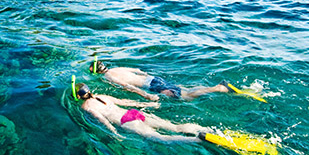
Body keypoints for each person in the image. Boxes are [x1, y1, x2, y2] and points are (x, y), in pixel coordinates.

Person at [76, 83, 210, 142]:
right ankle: (205, 129)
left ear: (78, 96)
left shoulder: (86, 106)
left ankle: (196, 140)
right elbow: (125, 101)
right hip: (133, 113)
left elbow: (102, 120)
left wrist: (114, 133)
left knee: (161, 138)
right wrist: (146, 104)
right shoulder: (102, 96)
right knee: (175, 127)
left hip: (126, 122)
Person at [89, 60, 231, 101]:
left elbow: (127, 86)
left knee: (184, 97)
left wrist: (146, 95)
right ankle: (213, 88)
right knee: (184, 90)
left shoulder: (109, 77)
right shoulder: (118, 68)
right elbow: (137, 70)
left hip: (150, 86)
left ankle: (218, 88)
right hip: (153, 78)